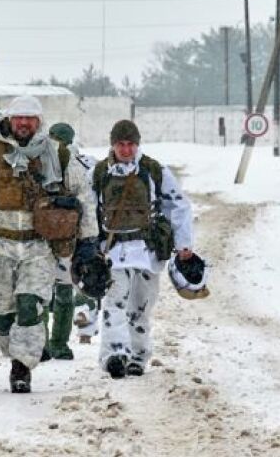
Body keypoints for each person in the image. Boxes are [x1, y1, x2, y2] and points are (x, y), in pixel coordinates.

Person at [0, 96, 98, 393]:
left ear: (39, 122)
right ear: (10, 120)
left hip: (39, 248)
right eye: (19, 118)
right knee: (1, 314)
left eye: (30, 118)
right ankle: (15, 347)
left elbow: (84, 196)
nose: (24, 123)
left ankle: (21, 369)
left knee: (29, 306)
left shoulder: (57, 153)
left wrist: (89, 242)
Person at [91, 119, 195, 379]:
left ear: (137, 145)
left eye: (130, 144)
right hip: (112, 251)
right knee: (114, 301)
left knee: (141, 307)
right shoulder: (99, 173)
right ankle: (114, 354)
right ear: (113, 144)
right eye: (120, 144)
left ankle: (138, 356)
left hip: (147, 252)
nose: (126, 150)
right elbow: (88, 209)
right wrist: (87, 246)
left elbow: (178, 206)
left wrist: (183, 244)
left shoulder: (153, 171)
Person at [39, 122, 99, 359]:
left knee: (44, 293)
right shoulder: (81, 164)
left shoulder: (44, 160)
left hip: (50, 234)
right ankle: (57, 344)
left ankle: (45, 344)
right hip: (66, 237)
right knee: (62, 293)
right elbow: (88, 202)